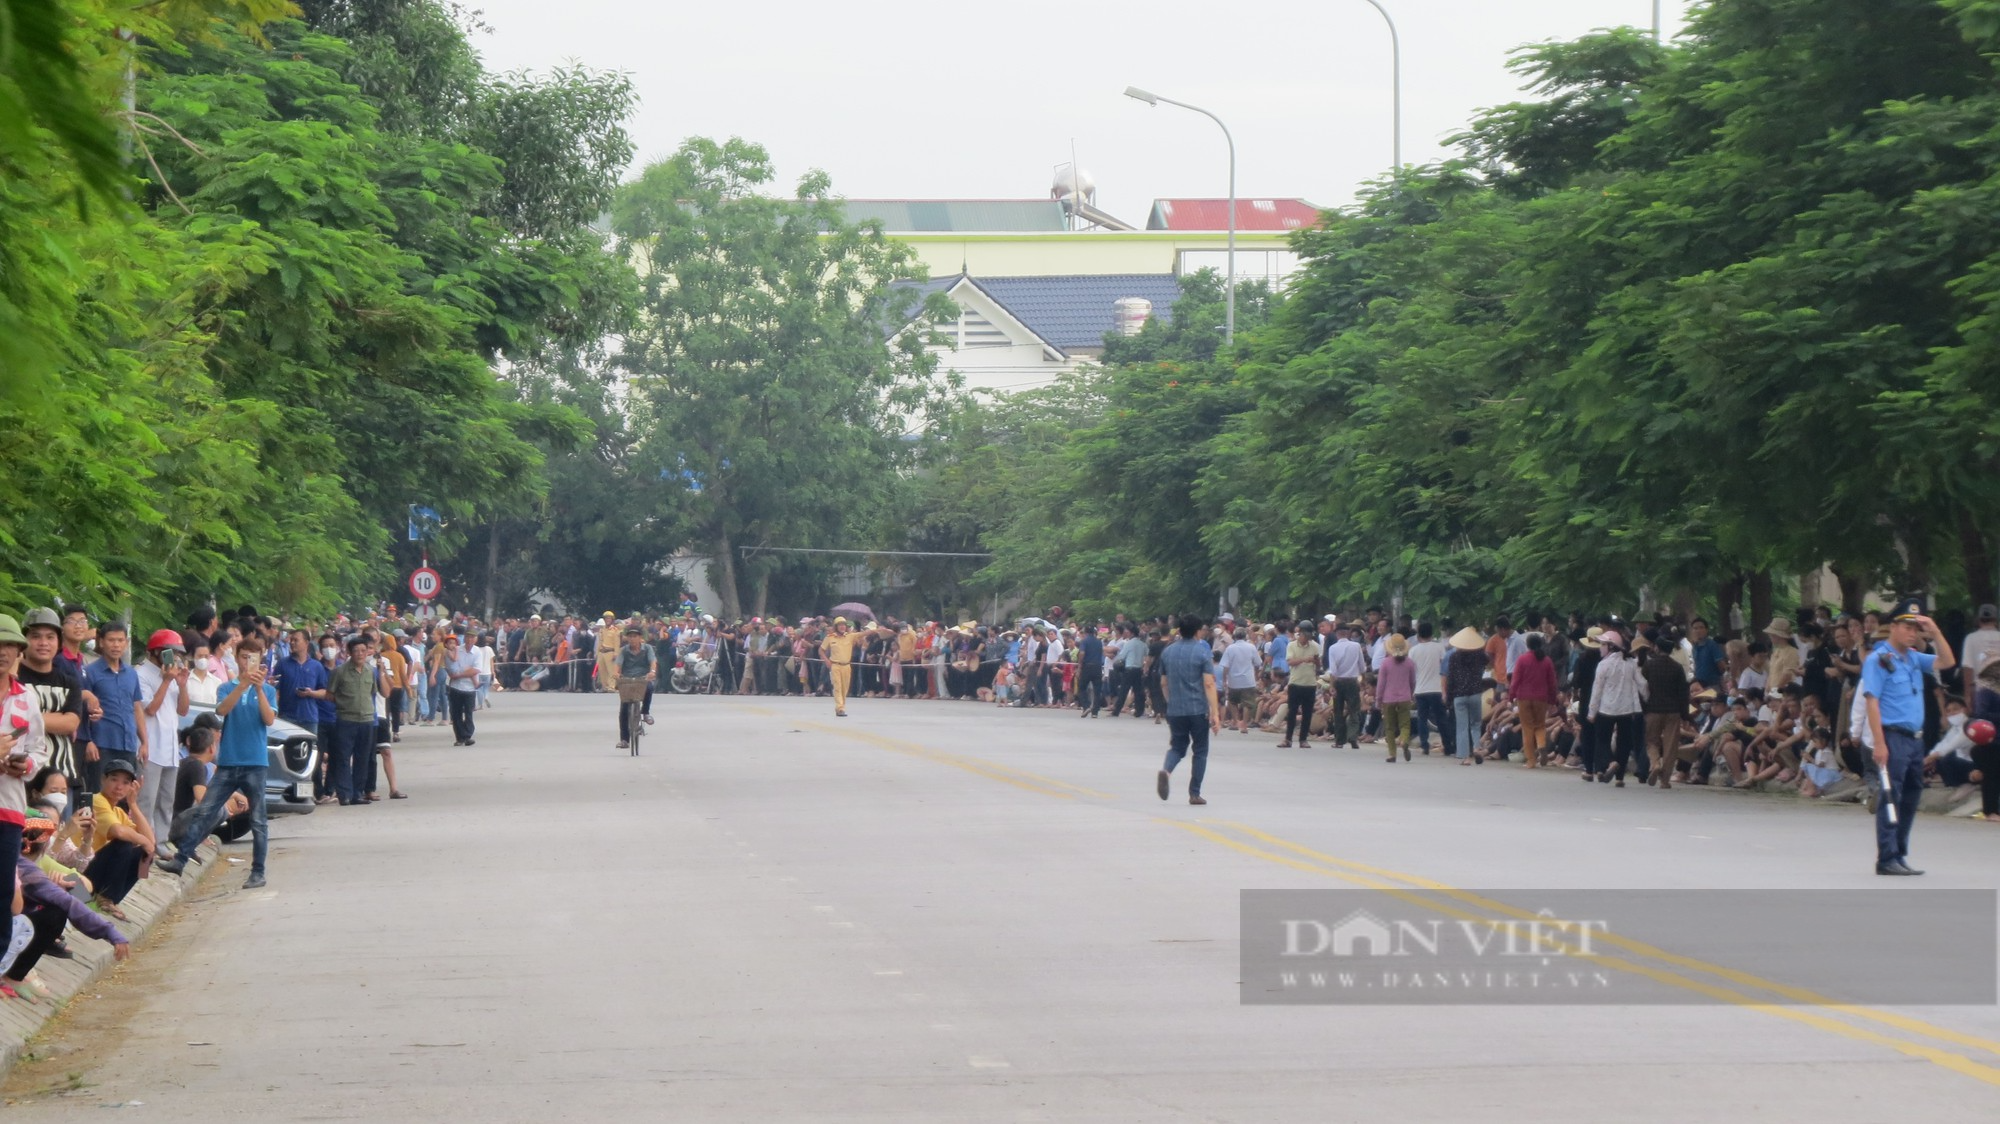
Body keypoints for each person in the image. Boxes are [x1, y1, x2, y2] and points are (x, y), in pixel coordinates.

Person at [154, 639, 274, 889]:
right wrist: (241, 686)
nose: (247, 662)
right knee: (205, 811)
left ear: (260, 659)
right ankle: (181, 859)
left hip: (255, 763)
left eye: (253, 657)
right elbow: (222, 710)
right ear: (237, 658)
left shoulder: (268, 690)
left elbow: (269, 719)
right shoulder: (226, 686)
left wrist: (260, 689)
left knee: (258, 820)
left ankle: (258, 871)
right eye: (243, 657)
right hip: (229, 761)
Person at [1861, 599, 1955, 876]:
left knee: (1911, 798)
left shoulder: (1913, 658)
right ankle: (1886, 857)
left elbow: (1948, 662)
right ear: (1893, 627)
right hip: (1893, 737)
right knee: (1892, 797)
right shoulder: (1879, 660)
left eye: (1916, 628)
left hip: (1915, 739)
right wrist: (1878, 743)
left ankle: (1899, 853)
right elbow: (1872, 702)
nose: (1912, 633)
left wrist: (1935, 631)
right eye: (1907, 627)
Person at [1155, 617, 1220, 805]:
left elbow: (1164, 683)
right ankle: (1194, 793)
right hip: (1197, 709)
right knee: (1200, 750)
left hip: (1176, 709)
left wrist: (1170, 702)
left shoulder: (1168, 652)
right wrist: (1215, 712)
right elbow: (1208, 683)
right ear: (1198, 631)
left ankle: (1166, 771)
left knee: (1177, 747)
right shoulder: (1202, 651)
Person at [135, 628, 189, 849]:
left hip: (169, 747)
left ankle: (162, 840)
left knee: (166, 799)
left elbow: (183, 710)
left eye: (177, 653)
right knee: (147, 799)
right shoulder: (141, 674)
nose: (175, 657)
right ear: (156, 652)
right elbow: (150, 709)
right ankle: (147, 840)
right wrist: (166, 681)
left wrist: (182, 685)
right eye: (170, 652)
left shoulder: (172, 675)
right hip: (151, 746)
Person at [82, 758, 153, 921]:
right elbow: (118, 832)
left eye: (126, 782)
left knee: (145, 853)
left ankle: (110, 899)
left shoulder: (119, 812)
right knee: (124, 842)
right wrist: (143, 840)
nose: (119, 787)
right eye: (114, 779)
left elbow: (150, 843)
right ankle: (105, 899)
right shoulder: (96, 800)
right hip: (74, 879)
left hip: (90, 881)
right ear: (103, 779)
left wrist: (133, 804)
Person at [1587, 631, 1647, 787]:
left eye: (1602, 644)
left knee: (1602, 740)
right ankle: (1620, 777)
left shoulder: (1603, 665)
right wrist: (1647, 699)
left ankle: (1610, 762)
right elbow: (1643, 684)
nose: (1600, 648)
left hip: (1606, 709)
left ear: (1610, 646)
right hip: (1627, 710)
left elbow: (1597, 691)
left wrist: (1591, 712)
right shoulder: (1631, 663)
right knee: (1624, 742)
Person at [1445, 627, 1488, 764]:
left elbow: (1451, 679)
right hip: (1475, 693)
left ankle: (1465, 757)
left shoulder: (1453, 657)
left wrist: (1449, 698)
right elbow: (1487, 661)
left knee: (1462, 726)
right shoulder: (1480, 656)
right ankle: (1476, 748)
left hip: (1459, 695)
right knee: (1476, 723)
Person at [1278, 623, 1321, 749]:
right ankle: (1288, 738)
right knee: (1292, 711)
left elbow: (1319, 665)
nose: (1305, 638)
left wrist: (1316, 661)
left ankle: (1303, 739)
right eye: (1303, 635)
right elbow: (1290, 662)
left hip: (1310, 683)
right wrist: (1304, 659)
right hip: (1295, 682)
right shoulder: (1292, 645)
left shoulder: (1315, 646)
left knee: (1307, 713)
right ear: (1300, 634)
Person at [614, 627, 657, 749]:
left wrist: (652, 672)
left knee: (649, 687)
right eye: (630, 636)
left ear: (640, 638)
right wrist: (616, 673)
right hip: (627, 679)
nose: (632, 639)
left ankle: (645, 712)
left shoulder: (647, 648)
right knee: (623, 710)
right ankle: (624, 740)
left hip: (643, 678)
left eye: (635, 636)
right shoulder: (624, 650)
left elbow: (653, 661)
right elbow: (618, 664)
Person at [1324, 625, 1364, 749]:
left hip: (1339, 681)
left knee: (1338, 711)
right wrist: (1361, 679)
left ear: (1337, 634)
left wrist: (1331, 686)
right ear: (1348, 633)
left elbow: (1333, 670)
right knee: (1354, 710)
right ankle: (1353, 737)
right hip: (1352, 681)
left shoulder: (1333, 648)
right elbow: (1362, 666)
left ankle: (1339, 741)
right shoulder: (1356, 646)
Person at [1218, 627, 1261, 734]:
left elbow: (1225, 666)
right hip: (1248, 680)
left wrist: (1224, 679)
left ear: (1234, 637)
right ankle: (1244, 725)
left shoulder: (1230, 648)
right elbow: (1257, 663)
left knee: (1232, 701)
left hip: (1234, 681)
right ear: (1245, 636)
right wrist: (1255, 675)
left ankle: (1235, 721)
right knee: (1247, 703)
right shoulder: (1251, 647)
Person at [443, 632, 482, 744]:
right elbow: (451, 667)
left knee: (469, 713)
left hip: (469, 687)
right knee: (456, 713)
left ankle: (467, 735)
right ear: (464, 638)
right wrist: (466, 671)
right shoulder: (457, 649)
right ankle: (460, 737)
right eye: (468, 637)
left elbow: (476, 669)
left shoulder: (477, 652)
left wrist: (460, 674)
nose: (469, 640)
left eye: (472, 637)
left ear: (475, 639)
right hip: (456, 686)